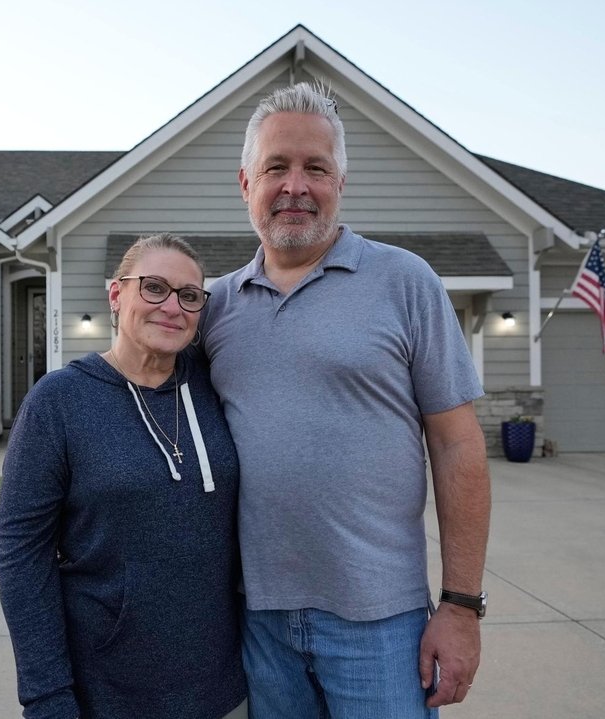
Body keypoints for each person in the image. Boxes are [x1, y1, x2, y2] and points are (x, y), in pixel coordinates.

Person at [201, 82, 491, 718]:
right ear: (245, 182)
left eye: (316, 168)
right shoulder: (214, 306)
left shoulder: (405, 282)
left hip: (383, 625)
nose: (295, 186)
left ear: (341, 182)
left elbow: (457, 445)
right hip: (259, 622)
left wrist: (461, 605)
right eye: (276, 167)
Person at [0, 234, 247, 719]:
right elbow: (21, 552)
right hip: (108, 689)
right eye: (154, 287)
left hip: (222, 682)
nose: (172, 307)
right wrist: (47, 694)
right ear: (116, 294)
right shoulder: (59, 401)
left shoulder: (215, 385)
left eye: (189, 295)